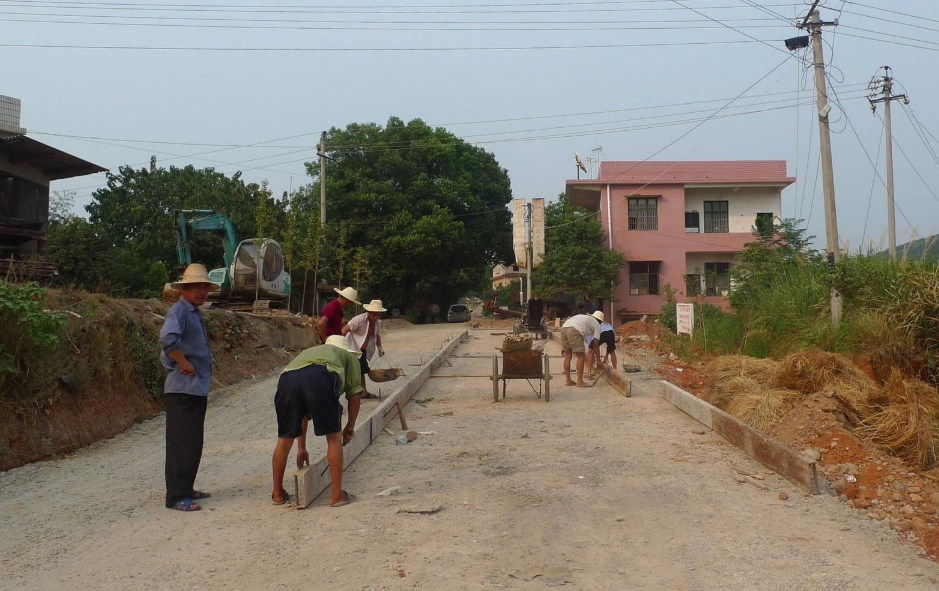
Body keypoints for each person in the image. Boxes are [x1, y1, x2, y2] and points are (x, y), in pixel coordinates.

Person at [271, 335, 363, 507]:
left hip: (286, 380)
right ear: (347, 350)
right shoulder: (349, 358)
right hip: (320, 376)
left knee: (283, 440)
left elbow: (304, 414)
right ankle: (337, 495)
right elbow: (355, 395)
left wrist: (301, 448)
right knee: (334, 438)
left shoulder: (311, 353)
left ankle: (277, 494)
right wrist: (349, 426)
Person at [159, 264, 220, 512]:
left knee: (193, 441)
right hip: (182, 388)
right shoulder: (179, 310)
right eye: (197, 287)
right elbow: (167, 339)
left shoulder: (193, 311)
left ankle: (186, 487)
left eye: (205, 287)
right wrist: (183, 363)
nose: (202, 291)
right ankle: (176, 496)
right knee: (181, 441)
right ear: (184, 289)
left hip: (195, 388)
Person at [342, 299, 386, 400]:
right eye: (374, 315)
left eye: (378, 315)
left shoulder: (378, 323)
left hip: (363, 349)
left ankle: (363, 392)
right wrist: (340, 345)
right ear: (369, 312)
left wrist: (380, 348)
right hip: (353, 348)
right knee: (356, 371)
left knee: (361, 370)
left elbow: (377, 336)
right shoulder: (358, 319)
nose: (376, 317)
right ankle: (356, 393)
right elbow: (344, 330)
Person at [560, 310, 603, 388]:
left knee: (568, 356)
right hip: (574, 330)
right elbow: (596, 345)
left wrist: (564, 347)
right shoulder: (596, 324)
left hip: (564, 328)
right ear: (600, 321)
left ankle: (568, 380)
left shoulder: (586, 319)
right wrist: (598, 361)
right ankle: (580, 382)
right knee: (581, 356)